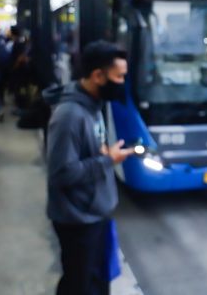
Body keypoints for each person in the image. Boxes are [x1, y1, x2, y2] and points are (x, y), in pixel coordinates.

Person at [45, 40, 134, 295]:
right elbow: (61, 173)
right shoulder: (69, 116)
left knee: (96, 280)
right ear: (98, 75)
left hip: (94, 214)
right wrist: (108, 160)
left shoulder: (94, 104)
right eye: (119, 77)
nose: (122, 83)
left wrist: (102, 153)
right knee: (79, 285)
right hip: (78, 219)